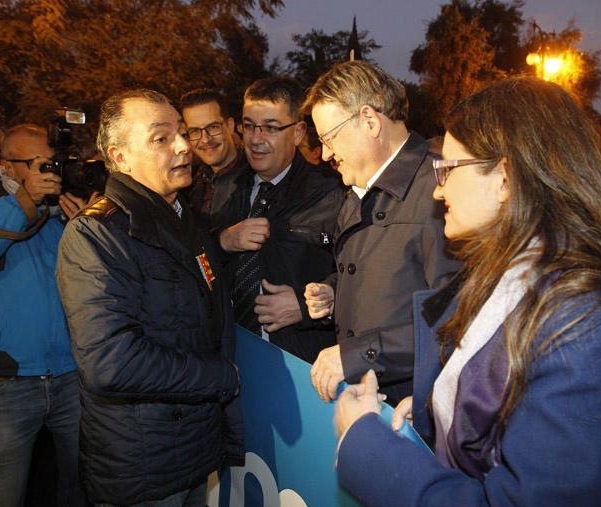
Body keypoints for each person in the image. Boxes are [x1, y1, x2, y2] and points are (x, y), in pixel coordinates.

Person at [332, 77, 601, 507]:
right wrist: (436, 411)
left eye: (448, 170)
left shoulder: (593, 326)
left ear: (506, 178)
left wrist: (363, 441)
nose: (437, 190)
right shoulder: (508, 274)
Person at [55, 89, 241, 507]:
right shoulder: (95, 235)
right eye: (161, 139)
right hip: (142, 467)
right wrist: (221, 377)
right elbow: (110, 363)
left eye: (181, 133)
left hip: (192, 447)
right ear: (119, 157)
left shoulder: (185, 219)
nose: (183, 146)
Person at [0, 124, 92, 507]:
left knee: (82, 495)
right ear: (6, 164)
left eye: (48, 162)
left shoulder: (62, 207)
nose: (45, 172)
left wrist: (87, 224)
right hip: (7, 383)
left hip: (72, 377)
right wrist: (25, 200)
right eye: (34, 164)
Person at [303, 61, 460, 405]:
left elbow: (457, 323)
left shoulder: (442, 193)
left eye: (328, 138)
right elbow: (385, 272)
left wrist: (357, 354)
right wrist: (336, 290)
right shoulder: (357, 188)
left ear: (370, 121)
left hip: (415, 410)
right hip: (369, 403)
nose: (325, 153)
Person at [211, 77, 344, 363]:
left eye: (271, 127)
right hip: (229, 359)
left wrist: (307, 306)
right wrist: (222, 241)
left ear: (297, 132)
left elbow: (360, 276)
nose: (256, 139)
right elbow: (195, 262)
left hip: (301, 365)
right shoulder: (223, 187)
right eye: (249, 126)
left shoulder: (332, 194)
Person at [179, 88, 242, 223]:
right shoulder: (187, 183)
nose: (205, 140)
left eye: (213, 127)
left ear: (230, 126)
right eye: (195, 131)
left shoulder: (260, 181)